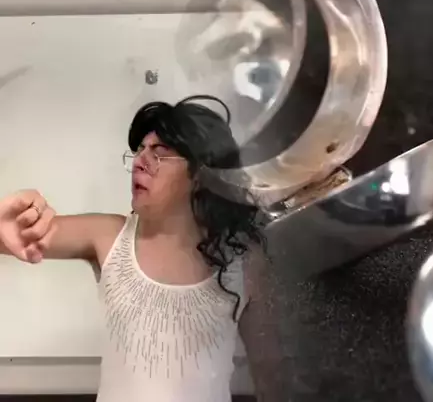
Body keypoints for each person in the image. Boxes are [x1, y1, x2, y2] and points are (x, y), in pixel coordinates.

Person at [0, 95, 285, 402]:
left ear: (202, 175)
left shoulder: (244, 259)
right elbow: (13, 237)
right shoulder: (107, 236)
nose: (139, 161)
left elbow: (271, 372)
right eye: (139, 151)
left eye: (159, 153)